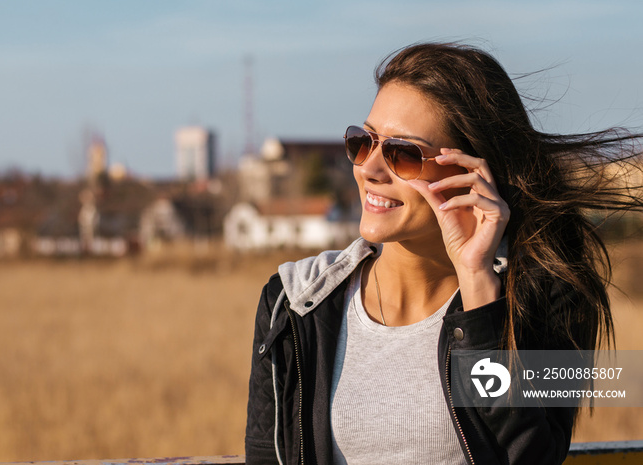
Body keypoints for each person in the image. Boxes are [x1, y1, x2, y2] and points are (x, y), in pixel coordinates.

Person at [244, 42, 643, 465]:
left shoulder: (547, 298)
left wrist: (478, 288)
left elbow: (532, 457)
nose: (369, 170)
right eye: (364, 142)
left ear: (471, 173)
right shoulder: (293, 303)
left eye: (403, 154)